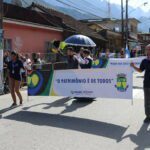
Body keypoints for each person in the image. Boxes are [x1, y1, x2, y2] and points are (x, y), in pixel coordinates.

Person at [131, 44, 150, 123]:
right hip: (147, 84)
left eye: (148, 49)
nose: (147, 51)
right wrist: (133, 66)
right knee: (147, 102)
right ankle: (148, 116)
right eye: (147, 49)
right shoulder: (144, 60)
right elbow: (140, 70)